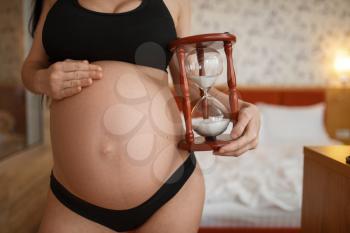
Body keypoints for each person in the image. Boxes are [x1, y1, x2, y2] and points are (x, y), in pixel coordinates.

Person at [21, 0, 261, 232]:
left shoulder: (174, 2)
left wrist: (240, 108)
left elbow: (187, 85)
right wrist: (44, 80)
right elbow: (31, 68)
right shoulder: (55, 2)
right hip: (74, 203)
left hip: (170, 190)